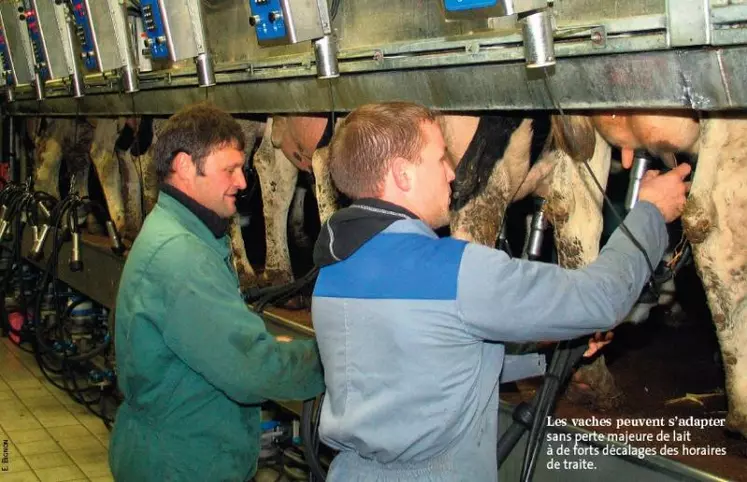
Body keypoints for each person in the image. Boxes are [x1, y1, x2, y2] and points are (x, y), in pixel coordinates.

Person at [311, 102, 690, 481]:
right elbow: (601, 298)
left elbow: (428, 366)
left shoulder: (336, 270)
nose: (451, 173)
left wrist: (550, 356)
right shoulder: (455, 271)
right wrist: (650, 213)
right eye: (439, 158)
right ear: (402, 174)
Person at [109, 103, 325, 482]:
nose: (242, 182)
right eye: (230, 169)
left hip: (179, 448)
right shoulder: (181, 255)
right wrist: (331, 358)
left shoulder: (182, 233)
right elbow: (250, 367)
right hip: (182, 463)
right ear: (184, 167)